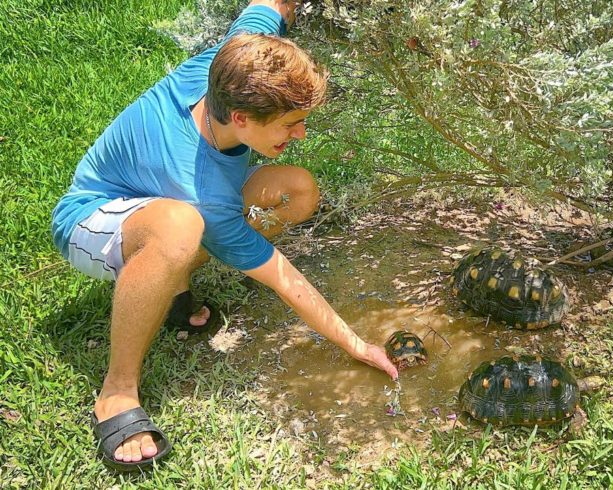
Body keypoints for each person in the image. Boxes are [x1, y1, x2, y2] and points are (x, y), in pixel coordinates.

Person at [50, 0, 398, 472]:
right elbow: (286, 280)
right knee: (182, 229)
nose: (301, 134)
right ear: (241, 118)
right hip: (92, 219)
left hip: (175, 203)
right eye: (289, 124)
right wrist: (357, 345)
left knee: (296, 189)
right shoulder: (203, 195)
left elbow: (268, 5)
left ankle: (173, 278)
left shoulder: (232, 59)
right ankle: (117, 391)